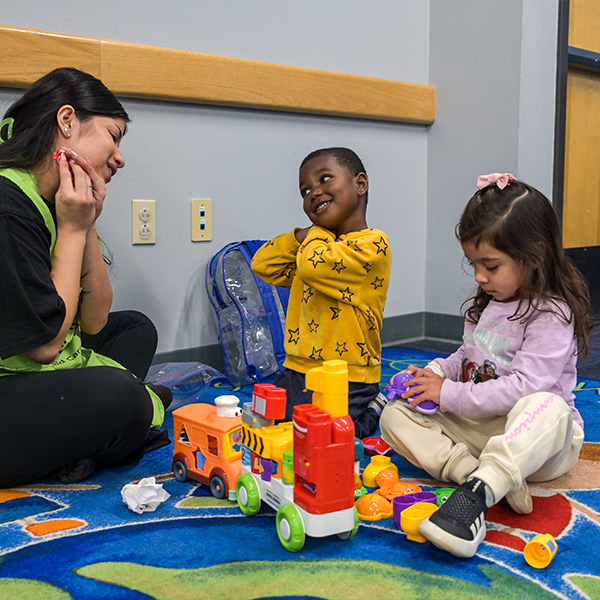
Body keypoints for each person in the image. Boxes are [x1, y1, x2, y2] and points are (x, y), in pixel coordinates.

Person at [380, 172, 593, 558]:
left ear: (535, 256)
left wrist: (450, 394)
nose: (480, 277)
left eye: (491, 266)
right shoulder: (489, 303)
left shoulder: (551, 314)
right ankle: (475, 476)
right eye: (474, 263)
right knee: (394, 416)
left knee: (548, 405)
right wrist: (437, 375)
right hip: (482, 432)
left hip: (535, 443)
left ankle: (476, 497)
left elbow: (526, 387)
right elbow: (469, 356)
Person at [0, 68, 171, 488]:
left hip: (41, 367)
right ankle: (96, 437)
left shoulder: (53, 199)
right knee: (123, 397)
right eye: (114, 136)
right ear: (67, 121)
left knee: (136, 327)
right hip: (15, 376)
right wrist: (73, 230)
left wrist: (86, 221)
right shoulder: (8, 203)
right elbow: (44, 346)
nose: (120, 156)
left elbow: (94, 320)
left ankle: (82, 439)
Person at [251, 147, 392, 438]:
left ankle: (375, 407)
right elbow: (262, 264)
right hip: (296, 369)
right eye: (305, 191)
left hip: (347, 376)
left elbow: (314, 267)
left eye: (325, 179)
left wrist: (314, 231)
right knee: (267, 425)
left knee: (329, 438)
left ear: (360, 184)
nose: (314, 193)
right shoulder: (312, 249)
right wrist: (299, 236)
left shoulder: (373, 245)